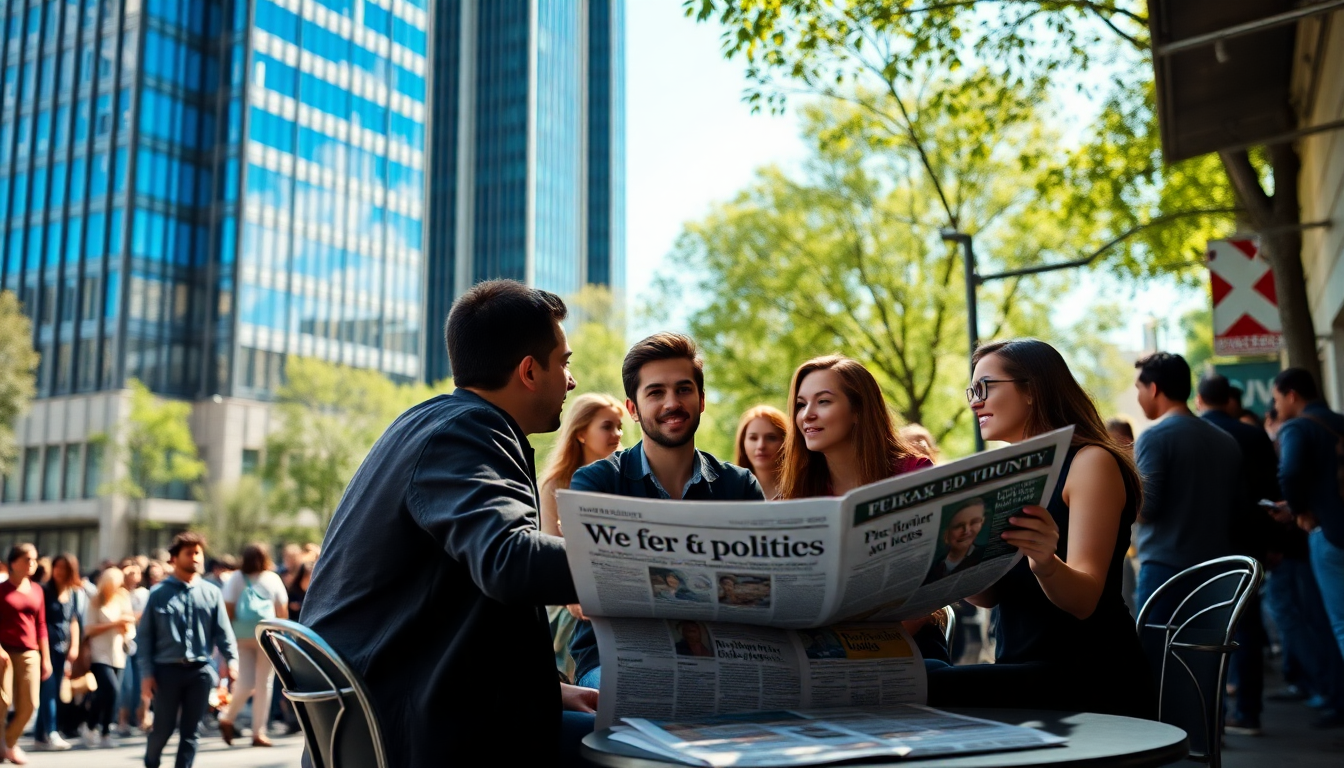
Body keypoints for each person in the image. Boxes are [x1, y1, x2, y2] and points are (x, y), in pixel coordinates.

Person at [298, 280, 593, 766]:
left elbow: (448, 609)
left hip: (389, 712)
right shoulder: (468, 430)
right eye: (564, 362)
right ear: (528, 371)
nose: (571, 380)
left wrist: (549, 690)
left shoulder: (427, 421)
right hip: (409, 733)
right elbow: (509, 560)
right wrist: (650, 559)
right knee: (635, 749)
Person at [926, 339, 1153, 718]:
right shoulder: (1008, 474)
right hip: (1021, 671)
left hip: (1088, 677)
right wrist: (954, 558)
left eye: (984, 387)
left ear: (1031, 390)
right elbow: (989, 597)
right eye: (972, 391)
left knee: (923, 682)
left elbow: (1084, 601)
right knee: (914, 675)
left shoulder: (1090, 462)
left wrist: (1045, 562)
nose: (973, 402)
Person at [567, 333, 765, 689]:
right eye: (656, 392)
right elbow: (589, 592)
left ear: (702, 400)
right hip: (618, 655)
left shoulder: (740, 486)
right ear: (633, 409)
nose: (672, 403)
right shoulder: (595, 483)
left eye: (684, 389)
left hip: (721, 653)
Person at [1195, 373, 1282, 734]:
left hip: (1207, 549)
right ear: (1229, 401)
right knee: (1248, 629)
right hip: (1251, 544)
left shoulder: (1197, 435)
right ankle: (1248, 712)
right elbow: (1271, 489)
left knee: (1207, 633)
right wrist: (1273, 543)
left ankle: (1210, 713)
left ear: (1200, 400)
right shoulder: (1251, 433)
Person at [1131, 352, 1241, 609]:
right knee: (1206, 649)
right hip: (1219, 573)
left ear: (1154, 388)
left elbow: (1146, 509)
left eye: (1139, 388)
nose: (1138, 397)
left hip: (1166, 574)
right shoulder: (1226, 441)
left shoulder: (1154, 438)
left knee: (1155, 648)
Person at [1271, 367, 1344, 728]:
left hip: (1329, 534)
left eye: (1277, 398)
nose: (1276, 405)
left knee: (1338, 623)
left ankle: (1338, 701)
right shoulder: (1339, 422)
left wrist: (1298, 510)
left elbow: (1290, 472)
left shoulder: (1298, 427)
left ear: (1292, 395)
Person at [139, 532, 238, 768]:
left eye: (198, 553)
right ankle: (151, 761)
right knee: (163, 729)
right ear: (174, 559)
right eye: (189, 553)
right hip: (166, 671)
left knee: (191, 732)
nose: (194, 557)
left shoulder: (212, 593)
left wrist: (232, 661)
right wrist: (146, 675)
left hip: (200, 671)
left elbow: (224, 633)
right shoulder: (158, 594)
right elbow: (144, 639)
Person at [779, 355, 931, 499]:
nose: (806, 415)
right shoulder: (796, 493)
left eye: (823, 401)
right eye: (801, 404)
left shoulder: (914, 474)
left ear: (858, 410)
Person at [219, 543, 289, 747]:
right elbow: (281, 610)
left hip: (242, 637)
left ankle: (232, 719)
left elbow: (228, 609)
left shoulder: (236, 578)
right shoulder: (272, 578)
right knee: (262, 685)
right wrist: (282, 636)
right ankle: (257, 731)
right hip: (267, 636)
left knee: (247, 683)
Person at [539, 392, 626, 536]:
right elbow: (549, 542)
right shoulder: (554, 487)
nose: (618, 434)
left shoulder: (629, 477)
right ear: (581, 434)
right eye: (607, 427)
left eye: (619, 427)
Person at [0, 543, 53, 765]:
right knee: (3, 701)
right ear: (14, 562)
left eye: (34, 559)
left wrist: (46, 658)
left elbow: (41, 625)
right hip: (4, 651)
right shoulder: (1, 590)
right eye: (27, 559)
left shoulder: (37, 590)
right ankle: (5, 747)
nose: (32, 563)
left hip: (30, 652)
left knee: (30, 703)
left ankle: (8, 743)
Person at [32, 553, 84, 752]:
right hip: (45, 648)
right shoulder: (44, 591)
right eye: (57, 567)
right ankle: (52, 732)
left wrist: (75, 646)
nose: (59, 572)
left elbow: (74, 620)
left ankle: (40, 735)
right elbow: (40, 622)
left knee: (50, 691)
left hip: (63, 648)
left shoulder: (73, 593)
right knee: (50, 690)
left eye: (64, 568)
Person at [82, 567, 136, 749]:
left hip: (118, 652)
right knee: (110, 689)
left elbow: (129, 625)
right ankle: (91, 725)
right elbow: (88, 628)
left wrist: (125, 627)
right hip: (99, 653)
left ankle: (104, 731)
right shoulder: (95, 601)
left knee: (112, 694)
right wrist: (113, 624)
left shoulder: (122, 598)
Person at [118, 559, 151, 735]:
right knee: (126, 684)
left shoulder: (145, 594)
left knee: (143, 681)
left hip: (142, 641)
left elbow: (147, 616)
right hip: (123, 643)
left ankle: (142, 717)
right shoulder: (118, 593)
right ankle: (122, 719)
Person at [926, 498, 987, 582]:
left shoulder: (985, 555)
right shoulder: (934, 566)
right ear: (945, 533)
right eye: (958, 526)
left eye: (974, 522)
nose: (967, 531)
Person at [735, 405, 788, 499]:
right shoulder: (730, 491)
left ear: (786, 442)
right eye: (753, 438)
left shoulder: (803, 491)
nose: (761, 446)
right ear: (743, 443)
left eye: (771, 438)